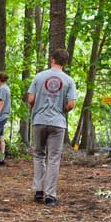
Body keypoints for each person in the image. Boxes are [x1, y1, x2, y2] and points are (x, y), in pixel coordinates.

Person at [27, 49, 77, 206]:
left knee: (39, 155)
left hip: (39, 121)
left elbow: (31, 99)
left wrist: (38, 107)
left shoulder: (39, 77)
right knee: (53, 158)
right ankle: (50, 195)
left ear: (52, 59)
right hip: (57, 122)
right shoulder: (69, 80)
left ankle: (38, 190)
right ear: (65, 63)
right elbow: (71, 104)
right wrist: (61, 110)